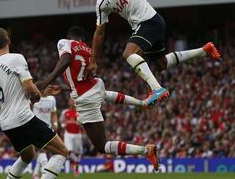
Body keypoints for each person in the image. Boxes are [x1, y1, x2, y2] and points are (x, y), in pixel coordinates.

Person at [84, 0, 222, 105]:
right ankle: (204, 51)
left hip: (149, 21)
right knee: (161, 64)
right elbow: (99, 33)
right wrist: (93, 61)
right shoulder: (101, 3)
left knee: (128, 54)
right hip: (143, 26)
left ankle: (157, 88)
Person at [37, 26, 160, 171]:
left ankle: (146, 151)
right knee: (104, 94)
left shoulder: (64, 43)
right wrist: (63, 87)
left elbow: (66, 59)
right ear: (82, 39)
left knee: (102, 145)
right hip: (95, 86)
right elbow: (82, 78)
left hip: (85, 98)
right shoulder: (90, 51)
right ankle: (142, 103)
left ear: (70, 36)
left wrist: (46, 81)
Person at [0, 28, 68, 179]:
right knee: (61, 152)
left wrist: (11, 99)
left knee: (28, 155)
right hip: (22, 118)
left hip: (7, 123)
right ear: (9, 40)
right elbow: (30, 89)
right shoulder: (16, 58)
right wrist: (37, 96)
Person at [31, 95, 58, 179]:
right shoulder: (34, 97)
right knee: (41, 150)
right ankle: (45, 172)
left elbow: (53, 113)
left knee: (43, 151)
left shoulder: (52, 98)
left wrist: (55, 124)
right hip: (36, 127)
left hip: (48, 128)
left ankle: (35, 174)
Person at [60, 99, 82, 177]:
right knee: (69, 151)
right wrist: (64, 125)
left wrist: (78, 123)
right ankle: (75, 167)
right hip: (68, 134)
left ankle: (75, 167)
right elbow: (61, 123)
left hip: (77, 134)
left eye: (73, 101)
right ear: (68, 102)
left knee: (77, 153)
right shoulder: (65, 112)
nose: (72, 102)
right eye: (70, 101)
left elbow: (82, 124)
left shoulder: (79, 112)